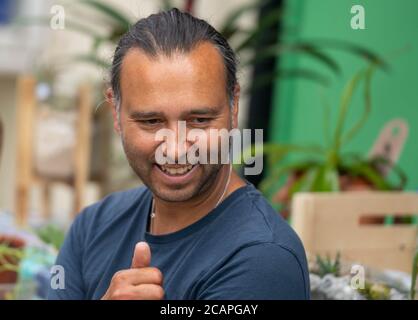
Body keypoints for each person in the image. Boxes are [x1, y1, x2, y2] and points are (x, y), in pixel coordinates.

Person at [48, 8, 310, 300]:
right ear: (116, 113)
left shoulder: (262, 259)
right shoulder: (93, 226)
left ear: (233, 106)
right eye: (151, 121)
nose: (175, 149)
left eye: (199, 120)